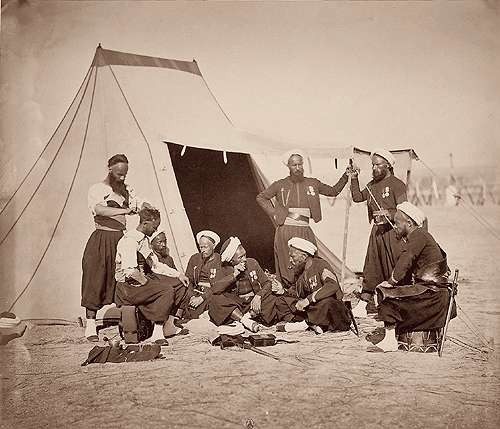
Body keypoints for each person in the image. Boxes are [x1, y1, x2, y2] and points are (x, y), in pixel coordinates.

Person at [256, 150, 349, 287]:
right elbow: (261, 197)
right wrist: (274, 212)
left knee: (310, 261)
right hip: (285, 230)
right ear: (288, 166)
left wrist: (346, 176)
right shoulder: (280, 184)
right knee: (287, 263)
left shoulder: (312, 183)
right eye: (294, 165)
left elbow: (333, 191)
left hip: (304, 229)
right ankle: (288, 292)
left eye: (300, 164)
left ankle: (307, 289)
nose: (298, 168)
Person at [81, 154, 148, 341]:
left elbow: (139, 203)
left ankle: (124, 321)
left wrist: (146, 207)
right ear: (109, 169)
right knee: (95, 278)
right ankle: (90, 325)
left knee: (121, 277)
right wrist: (125, 210)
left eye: (125, 174)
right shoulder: (97, 189)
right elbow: (100, 210)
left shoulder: (126, 190)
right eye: (119, 174)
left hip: (120, 238)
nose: (122, 177)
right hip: (102, 238)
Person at [373, 202, 454, 352]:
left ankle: (389, 341)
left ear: (409, 223)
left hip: (433, 296)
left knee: (385, 295)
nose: (394, 227)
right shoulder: (422, 235)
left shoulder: (418, 235)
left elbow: (405, 261)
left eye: (397, 223)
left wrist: (390, 283)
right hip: (435, 294)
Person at [114, 207, 189, 345]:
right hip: (128, 286)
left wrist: (178, 274)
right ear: (145, 223)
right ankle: (157, 333)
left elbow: (155, 265)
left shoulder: (143, 240)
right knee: (166, 290)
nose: (155, 230)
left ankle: (169, 326)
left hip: (139, 281)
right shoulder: (130, 241)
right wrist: (149, 285)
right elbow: (130, 271)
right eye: (154, 227)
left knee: (179, 284)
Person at [347, 149, 407, 317]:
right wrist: (354, 178)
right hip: (376, 232)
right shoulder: (372, 185)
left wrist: (390, 213)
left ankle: (395, 304)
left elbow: (404, 211)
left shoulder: (398, 184)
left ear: (387, 165)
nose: (373, 168)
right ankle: (363, 305)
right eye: (372, 165)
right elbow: (358, 197)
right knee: (372, 266)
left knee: (392, 267)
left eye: (377, 165)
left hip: (393, 232)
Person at [273, 237, 351, 334]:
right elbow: (296, 293)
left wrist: (308, 300)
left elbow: (332, 286)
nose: (290, 260)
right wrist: (283, 291)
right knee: (281, 301)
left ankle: (305, 324)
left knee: (327, 301)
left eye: (292, 256)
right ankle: (314, 323)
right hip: (313, 308)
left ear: (304, 256)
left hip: (331, 309)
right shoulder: (300, 271)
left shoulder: (321, 265)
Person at [208, 237, 278, 332]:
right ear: (231, 261)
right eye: (240, 257)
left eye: (244, 255)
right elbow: (215, 289)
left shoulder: (252, 262)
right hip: (236, 306)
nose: (244, 259)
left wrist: (259, 295)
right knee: (215, 299)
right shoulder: (224, 269)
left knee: (273, 297)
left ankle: (247, 317)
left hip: (253, 304)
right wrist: (234, 274)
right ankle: (245, 321)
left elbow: (267, 283)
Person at [184, 230, 222, 319]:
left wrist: (202, 298)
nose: (203, 250)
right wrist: (192, 295)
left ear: (214, 246)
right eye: (200, 247)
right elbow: (188, 279)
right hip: (196, 292)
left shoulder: (220, 260)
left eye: (205, 247)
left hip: (211, 294)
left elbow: (220, 286)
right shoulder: (195, 258)